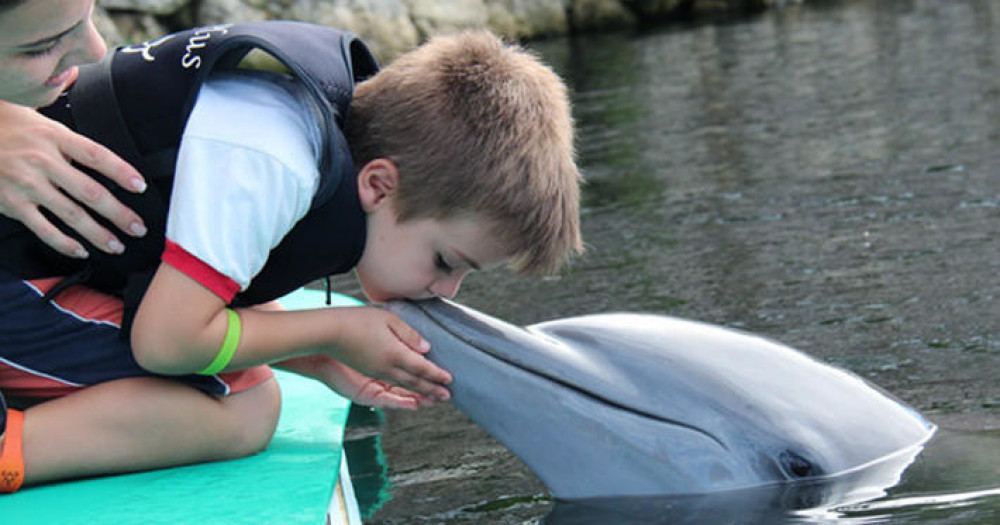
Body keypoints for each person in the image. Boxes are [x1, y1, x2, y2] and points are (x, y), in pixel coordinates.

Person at [0, 17, 582, 495]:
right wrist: (331, 330)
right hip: (16, 284)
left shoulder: (302, 117)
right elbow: (167, 341)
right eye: (447, 261)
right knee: (245, 408)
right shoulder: (273, 160)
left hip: (44, 263)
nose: (447, 290)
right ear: (379, 186)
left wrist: (313, 355)